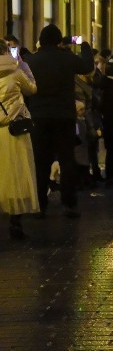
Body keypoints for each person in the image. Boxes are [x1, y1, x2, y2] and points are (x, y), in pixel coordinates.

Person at [25, 24, 94, 218]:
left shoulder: (32, 60)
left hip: (39, 116)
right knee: (66, 159)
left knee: (41, 161)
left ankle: (40, 204)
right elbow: (87, 67)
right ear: (58, 40)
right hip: (64, 115)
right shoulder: (67, 58)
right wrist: (85, 46)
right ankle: (69, 203)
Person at [0, 39, 39, 238]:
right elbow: (32, 89)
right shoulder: (16, 71)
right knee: (17, 172)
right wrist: (24, 65)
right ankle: (16, 222)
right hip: (14, 130)